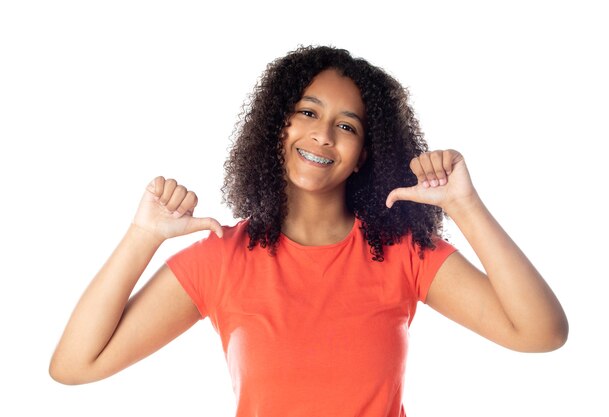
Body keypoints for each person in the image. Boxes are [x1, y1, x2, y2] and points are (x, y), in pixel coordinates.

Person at [49, 46, 568, 416]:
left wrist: (466, 205)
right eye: (308, 112)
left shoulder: (402, 253)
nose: (323, 133)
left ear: (364, 153)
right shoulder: (221, 258)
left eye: (347, 125)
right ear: (281, 126)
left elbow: (542, 333)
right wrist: (143, 235)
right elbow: (74, 365)